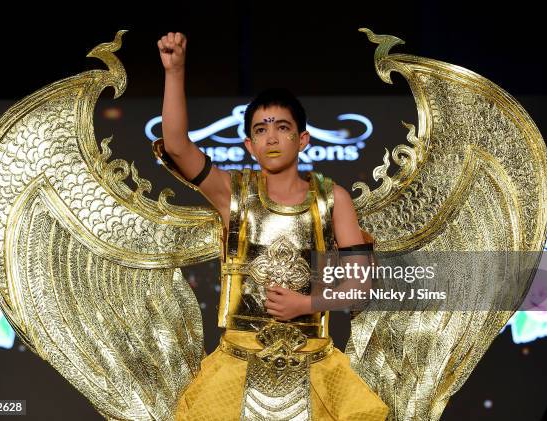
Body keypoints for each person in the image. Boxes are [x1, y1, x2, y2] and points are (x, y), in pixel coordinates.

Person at [154, 31, 389, 421]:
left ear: (303, 139)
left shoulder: (333, 201)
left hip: (313, 364)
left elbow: (361, 286)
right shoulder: (233, 194)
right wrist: (175, 71)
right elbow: (177, 146)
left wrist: (306, 304)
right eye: (261, 130)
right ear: (249, 146)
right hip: (236, 363)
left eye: (281, 127)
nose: (271, 137)